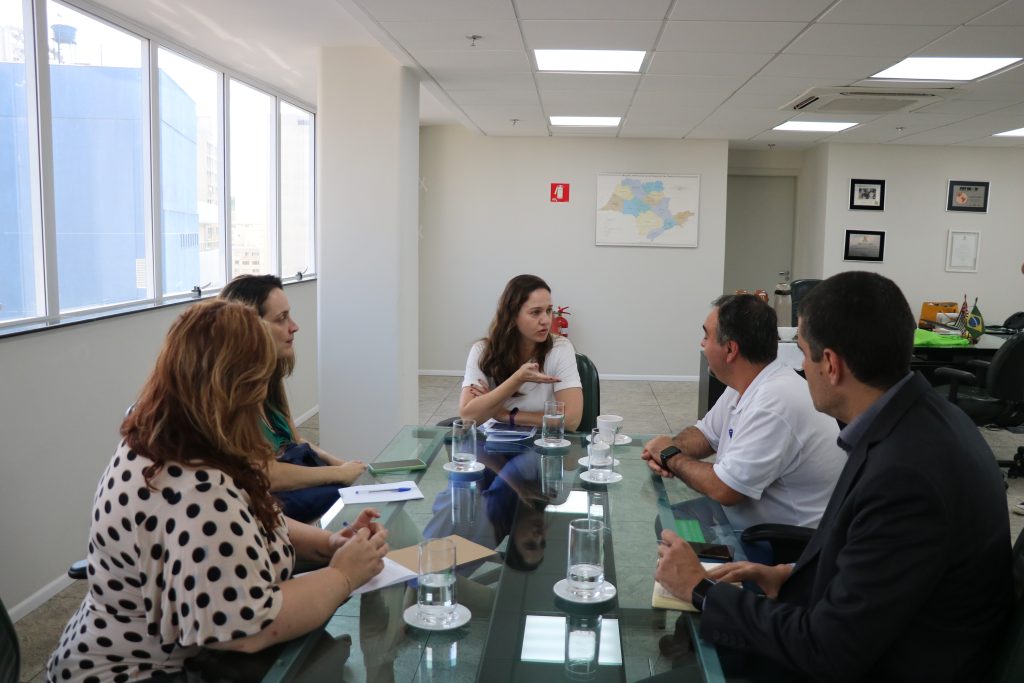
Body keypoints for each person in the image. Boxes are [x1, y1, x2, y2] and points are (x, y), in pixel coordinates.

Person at [655, 272, 1013, 681]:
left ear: (830, 364)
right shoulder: (919, 420)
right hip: (873, 634)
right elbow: (877, 568)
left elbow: (828, 649)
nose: (799, 368)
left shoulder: (906, 476)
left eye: (803, 354)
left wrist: (702, 590)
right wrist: (789, 574)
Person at [47, 299, 388, 683]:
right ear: (238, 390)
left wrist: (330, 545)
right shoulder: (195, 487)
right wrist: (343, 575)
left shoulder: (174, 440)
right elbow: (249, 628)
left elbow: (251, 519)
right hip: (138, 673)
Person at [641, 294, 845, 531]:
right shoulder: (748, 383)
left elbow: (725, 489)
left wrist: (670, 456)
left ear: (730, 349)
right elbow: (706, 434)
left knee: (675, 534)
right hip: (744, 519)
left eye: (707, 336)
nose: (702, 344)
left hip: (780, 541)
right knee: (672, 523)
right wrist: (671, 447)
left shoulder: (774, 402)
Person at [221, 275, 365, 518]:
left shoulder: (270, 380)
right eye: (281, 319)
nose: (294, 326)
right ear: (249, 327)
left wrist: (342, 464)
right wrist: (339, 473)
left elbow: (297, 442)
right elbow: (267, 474)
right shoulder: (228, 398)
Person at [459, 274, 583, 431]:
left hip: (542, 438)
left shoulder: (560, 348)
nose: (546, 320)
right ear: (512, 315)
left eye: (548, 310)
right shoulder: (482, 351)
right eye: (535, 312)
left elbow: (572, 420)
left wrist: (506, 415)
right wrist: (517, 379)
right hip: (492, 437)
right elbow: (468, 418)